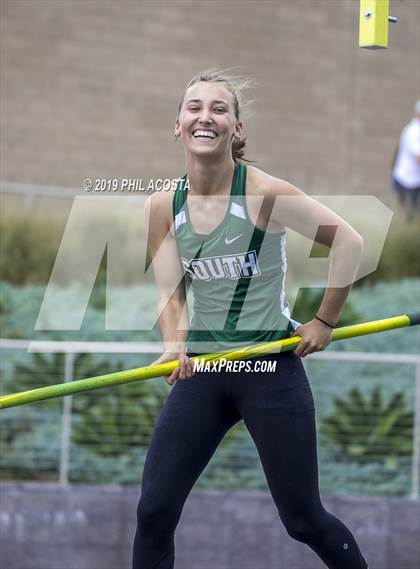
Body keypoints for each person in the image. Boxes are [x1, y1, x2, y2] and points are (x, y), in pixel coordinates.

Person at [132, 70, 368, 569]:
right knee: (153, 511)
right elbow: (172, 295)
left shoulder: (263, 192)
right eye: (194, 107)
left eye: (219, 109)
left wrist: (324, 320)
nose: (205, 116)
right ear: (178, 125)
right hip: (206, 372)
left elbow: (349, 242)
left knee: (303, 519)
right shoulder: (160, 206)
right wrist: (175, 343)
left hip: (270, 371)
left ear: (236, 129)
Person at [391, 100, 420, 220]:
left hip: (412, 181)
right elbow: (418, 157)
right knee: (409, 218)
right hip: (408, 181)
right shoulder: (415, 131)